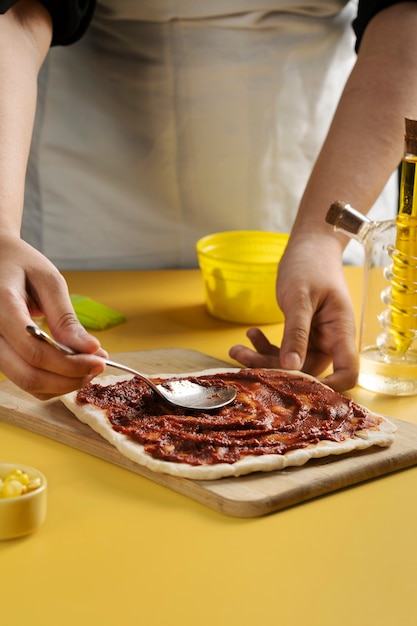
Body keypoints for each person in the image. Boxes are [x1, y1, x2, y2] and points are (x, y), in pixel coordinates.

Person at [0, 0, 415, 400]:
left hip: (319, 175)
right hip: (86, 202)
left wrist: (320, 239)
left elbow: (405, 16)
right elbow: (13, 17)